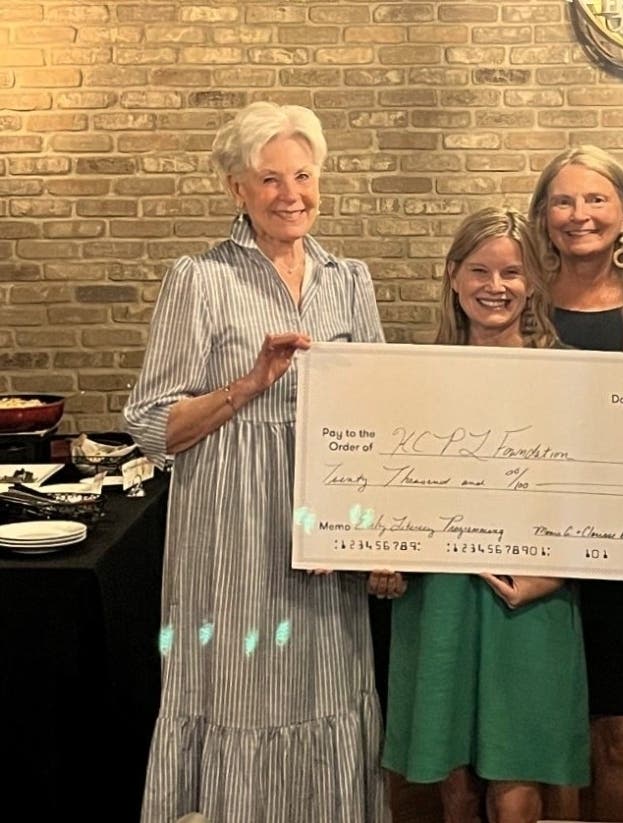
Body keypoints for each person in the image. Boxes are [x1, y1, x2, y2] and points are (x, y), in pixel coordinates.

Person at [123, 102, 390, 823]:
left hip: (325, 532)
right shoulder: (199, 279)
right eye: (268, 179)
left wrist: (381, 536)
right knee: (241, 691)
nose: (290, 194)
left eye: (302, 175)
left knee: (325, 689)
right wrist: (249, 384)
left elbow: (378, 418)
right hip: (233, 526)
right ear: (236, 188)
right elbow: (152, 426)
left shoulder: (348, 280)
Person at [373, 207, 590, 823]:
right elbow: (385, 479)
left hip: (533, 591)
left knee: (518, 760)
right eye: (480, 270)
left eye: (513, 273)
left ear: (533, 284)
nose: (496, 286)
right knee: (453, 772)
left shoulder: (570, 374)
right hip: (439, 590)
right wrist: (382, 549)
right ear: (452, 276)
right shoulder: (411, 375)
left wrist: (559, 575)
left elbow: (595, 498)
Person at [528, 146, 623, 822]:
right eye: (563, 201)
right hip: (535, 545)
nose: (579, 215)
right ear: (542, 217)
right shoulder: (519, 307)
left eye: (595, 198)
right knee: (543, 726)